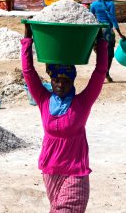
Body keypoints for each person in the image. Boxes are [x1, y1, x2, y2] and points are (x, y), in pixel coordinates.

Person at [21, 23, 108, 212]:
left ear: (73, 81)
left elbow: (100, 73)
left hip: (76, 170)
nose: (60, 84)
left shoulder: (82, 102)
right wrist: (28, 40)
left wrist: (101, 43)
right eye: (56, 80)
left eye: (66, 80)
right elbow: (28, 73)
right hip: (50, 170)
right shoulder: (43, 100)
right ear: (51, 80)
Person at [90, 0, 126, 83]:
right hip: (108, 32)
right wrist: (120, 33)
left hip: (98, 31)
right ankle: (107, 73)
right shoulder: (110, 4)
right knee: (109, 54)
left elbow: (90, 18)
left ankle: (99, 74)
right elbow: (113, 19)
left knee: (100, 53)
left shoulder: (94, 4)